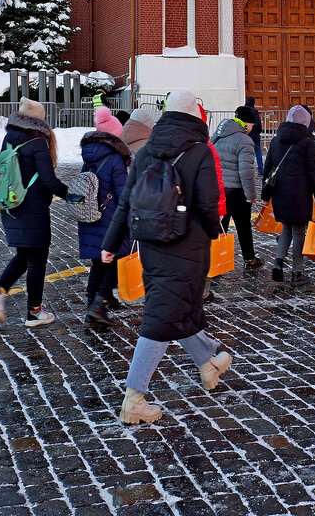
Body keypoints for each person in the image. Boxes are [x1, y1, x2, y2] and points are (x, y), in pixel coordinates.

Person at [100, 90, 231, 424]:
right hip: (187, 245)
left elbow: (127, 201)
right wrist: (215, 233)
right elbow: (207, 201)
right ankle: (134, 398)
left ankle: (208, 364)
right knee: (161, 317)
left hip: (152, 245)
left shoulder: (148, 150)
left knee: (178, 305)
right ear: (195, 116)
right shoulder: (200, 151)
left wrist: (111, 243)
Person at [0, 98, 72, 327]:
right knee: (37, 261)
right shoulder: (38, 142)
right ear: (38, 120)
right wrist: (72, 195)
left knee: (23, 255)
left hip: (11, 205)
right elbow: (49, 181)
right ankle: (34, 313)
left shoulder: (9, 138)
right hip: (33, 209)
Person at [78, 120, 131, 326]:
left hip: (90, 214)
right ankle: (97, 303)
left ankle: (98, 298)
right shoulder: (115, 159)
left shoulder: (89, 156)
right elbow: (122, 191)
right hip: (110, 217)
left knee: (99, 261)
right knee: (113, 259)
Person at [265, 105, 315, 286]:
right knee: (299, 232)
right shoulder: (309, 143)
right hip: (300, 195)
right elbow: (314, 174)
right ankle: (297, 272)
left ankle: (278, 262)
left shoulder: (275, 141)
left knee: (286, 229)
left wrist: (265, 194)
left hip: (280, 193)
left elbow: (268, 169)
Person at [213, 108, 262, 270]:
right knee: (243, 226)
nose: (252, 128)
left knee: (221, 226)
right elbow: (246, 172)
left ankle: (217, 261)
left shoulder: (218, 134)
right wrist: (251, 195)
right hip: (236, 192)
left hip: (219, 189)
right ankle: (249, 259)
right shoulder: (244, 140)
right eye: (252, 125)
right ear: (247, 123)